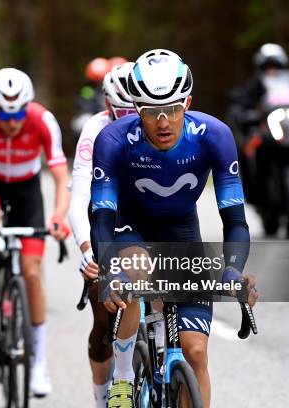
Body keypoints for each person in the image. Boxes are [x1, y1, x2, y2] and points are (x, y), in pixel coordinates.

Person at [90, 49, 258, 407]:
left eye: (173, 109)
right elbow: (101, 215)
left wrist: (233, 270)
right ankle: (122, 378)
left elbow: (235, 218)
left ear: (188, 102)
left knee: (195, 351)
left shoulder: (215, 135)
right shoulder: (114, 140)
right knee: (135, 271)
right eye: (151, 111)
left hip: (182, 230)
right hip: (128, 225)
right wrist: (109, 270)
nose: (163, 121)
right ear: (137, 109)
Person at [0, 67, 71, 397]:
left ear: (29, 106)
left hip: (27, 190)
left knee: (32, 273)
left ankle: (38, 362)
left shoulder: (42, 120)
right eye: (4, 113)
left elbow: (60, 175)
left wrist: (59, 216)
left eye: (19, 112)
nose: (12, 121)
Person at [67, 61, 138, 408]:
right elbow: (79, 197)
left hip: (145, 213)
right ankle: (102, 398)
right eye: (120, 110)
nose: (129, 117)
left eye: (135, 109)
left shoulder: (156, 123)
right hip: (104, 213)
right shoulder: (95, 130)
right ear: (107, 106)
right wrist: (85, 248)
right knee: (103, 315)